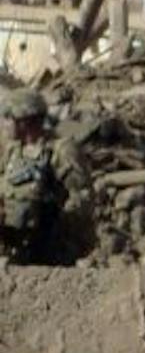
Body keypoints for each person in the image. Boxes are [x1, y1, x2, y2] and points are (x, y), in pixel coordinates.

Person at [1, 89, 80, 267]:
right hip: (12, 243)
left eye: (7, 118)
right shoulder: (13, 151)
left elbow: (81, 199)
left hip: (47, 250)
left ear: (25, 120)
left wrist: (59, 236)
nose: (3, 124)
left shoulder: (61, 150)